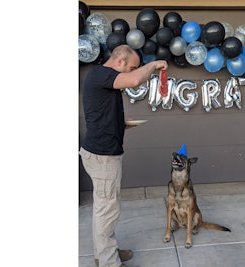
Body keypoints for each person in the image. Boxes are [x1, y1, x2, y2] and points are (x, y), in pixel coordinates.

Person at [79, 44, 168, 267]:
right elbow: (135, 81)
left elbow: (100, 112)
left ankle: (106, 253)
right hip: (103, 156)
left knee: (105, 207)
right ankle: (109, 262)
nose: (133, 71)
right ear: (120, 62)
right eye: (132, 67)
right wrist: (154, 65)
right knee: (107, 210)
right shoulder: (102, 74)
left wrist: (120, 124)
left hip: (100, 152)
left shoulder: (102, 77)